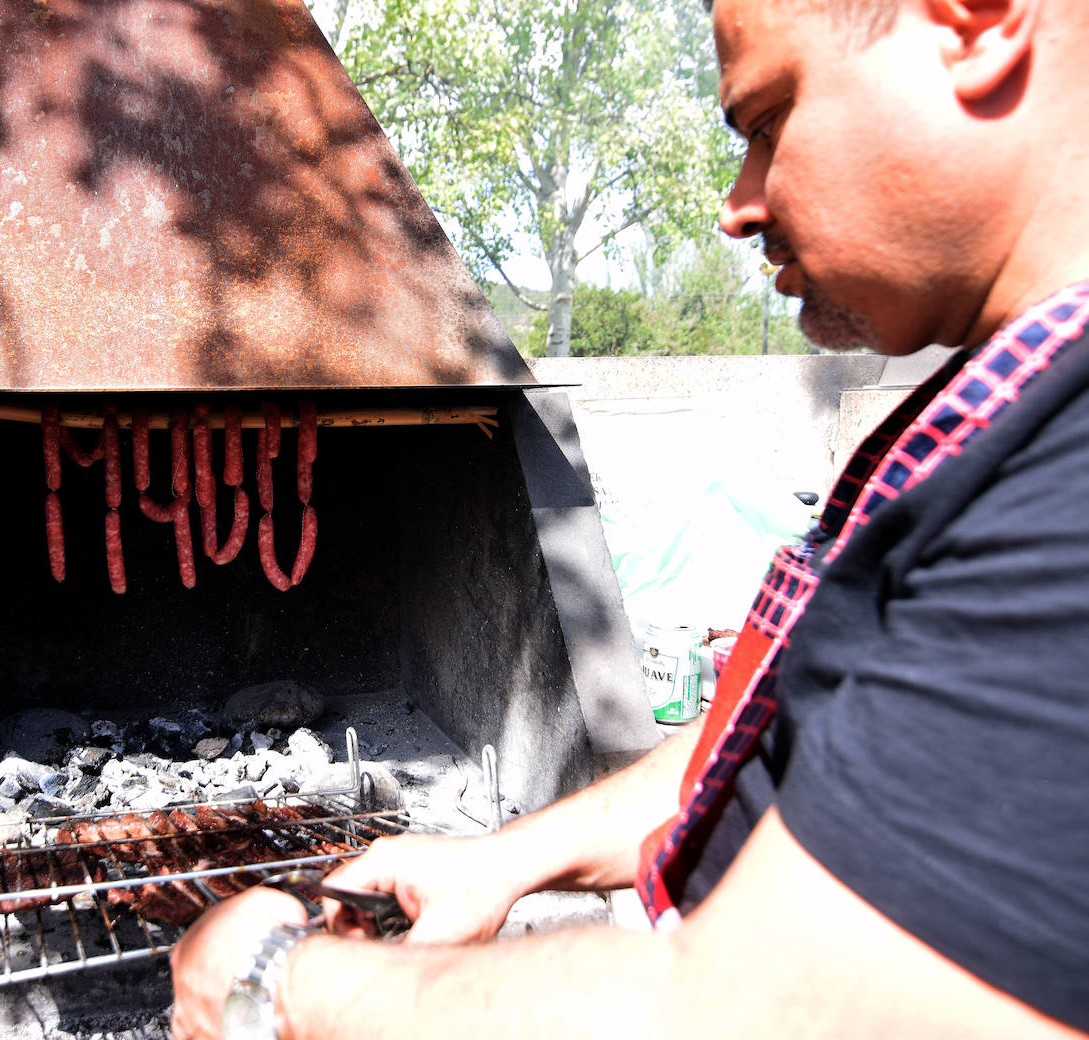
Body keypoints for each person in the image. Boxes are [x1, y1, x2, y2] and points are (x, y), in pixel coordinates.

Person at [170, 0, 1089, 1035]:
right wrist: (503, 858)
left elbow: (748, 1009)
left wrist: (271, 985)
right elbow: (776, 732)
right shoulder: (1015, 405)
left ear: (973, 22)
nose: (736, 204)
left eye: (769, 122)